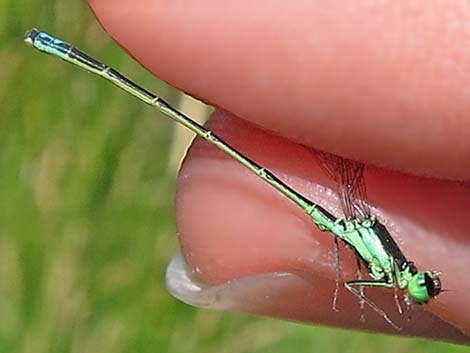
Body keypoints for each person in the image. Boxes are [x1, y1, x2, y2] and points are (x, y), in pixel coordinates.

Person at [88, 0, 470, 341]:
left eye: (421, 290)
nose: (418, 291)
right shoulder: (394, 268)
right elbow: (354, 282)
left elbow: (355, 273)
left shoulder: (394, 270)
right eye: (422, 287)